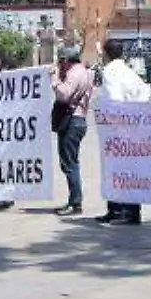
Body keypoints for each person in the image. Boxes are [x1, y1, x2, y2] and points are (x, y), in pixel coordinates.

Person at [96, 38, 150, 224]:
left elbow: (114, 100)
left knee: (118, 170)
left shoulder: (110, 72)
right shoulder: (130, 71)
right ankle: (117, 209)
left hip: (118, 129)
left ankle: (127, 212)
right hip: (133, 126)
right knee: (129, 170)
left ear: (106, 53)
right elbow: (145, 92)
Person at [51, 46, 94, 216]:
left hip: (72, 121)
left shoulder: (75, 73)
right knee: (71, 162)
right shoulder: (84, 72)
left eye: (61, 61)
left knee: (69, 163)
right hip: (79, 119)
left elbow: (63, 94)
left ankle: (75, 202)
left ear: (67, 60)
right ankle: (75, 200)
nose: (60, 64)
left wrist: (54, 79)